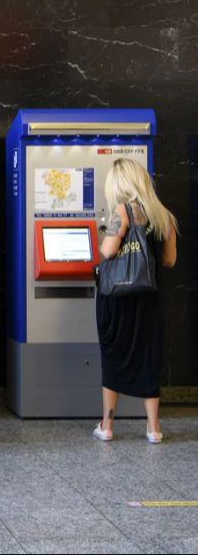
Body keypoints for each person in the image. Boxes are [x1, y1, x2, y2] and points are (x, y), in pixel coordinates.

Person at [93, 158, 177, 444]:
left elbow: (107, 251)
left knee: (114, 357)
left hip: (119, 301)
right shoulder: (163, 215)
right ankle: (153, 429)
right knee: (148, 359)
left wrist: (115, 230)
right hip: (149, 301)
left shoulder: (122, 210)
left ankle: (107, 425)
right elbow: (169, 259)